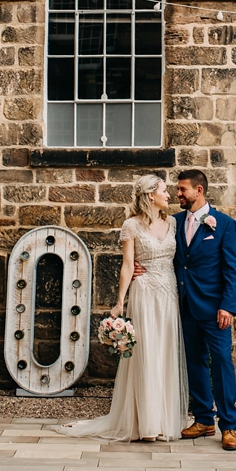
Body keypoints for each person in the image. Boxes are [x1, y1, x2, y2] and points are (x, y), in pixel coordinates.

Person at [56, 174, 187, 441]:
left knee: (165, 351)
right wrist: (119, 302)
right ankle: (145, 423)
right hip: (145, 292)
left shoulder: (173, 223)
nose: (169, 194)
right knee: (146, 353)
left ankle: (163, 419)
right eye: (164, 190)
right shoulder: (131, 226)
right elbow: (128, 265)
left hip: (169, 292)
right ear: (151, 194)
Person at [148, 169, 236, 451]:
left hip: (216, 311)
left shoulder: (224, 225)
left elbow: (232, 271)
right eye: (177, 190)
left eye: (182, 190)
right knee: (194, 364)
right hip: (184, 306)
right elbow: (158, 251)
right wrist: (142, 267)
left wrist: (228, 306)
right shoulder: (173, 222)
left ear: (198, 191)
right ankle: (203, 419)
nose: (178, 194)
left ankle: (229, 427)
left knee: (222, 364)